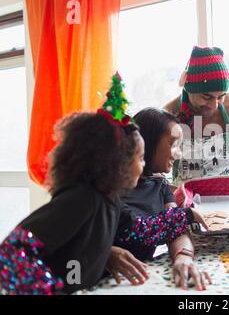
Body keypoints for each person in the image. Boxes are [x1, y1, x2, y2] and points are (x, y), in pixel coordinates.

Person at [0, 73, 145, 294]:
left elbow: (139, 231)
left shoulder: (111, 199)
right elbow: (11, 251)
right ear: (119, 162)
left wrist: (186, 218)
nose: (143, 166)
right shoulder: (82, 199)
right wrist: (51, 290)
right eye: (141, 158)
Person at [111, 107, 211, 291]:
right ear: (146, 143)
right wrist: (185, 215)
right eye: (173, 145)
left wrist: (183, 257)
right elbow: (135, 231)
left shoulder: (160, 185)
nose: (178, 153)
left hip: (139, 281)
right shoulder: (109, 190)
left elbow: (175, 230)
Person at [163, 46, 229, 185]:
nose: (214, 105)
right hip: (186, 200)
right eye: (206, 97)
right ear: (188, 88)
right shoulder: (168, 115)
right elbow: (156, 170)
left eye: (221, 97)